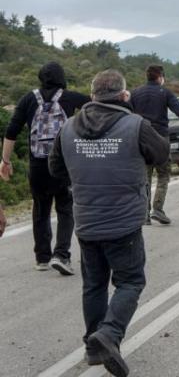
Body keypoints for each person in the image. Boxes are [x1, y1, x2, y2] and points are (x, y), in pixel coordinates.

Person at [49, 70, 169, 376]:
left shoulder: (67, 127)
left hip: (86, 221)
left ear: (92, 96)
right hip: (123, 222)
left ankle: (93, 346)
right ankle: (109, 334)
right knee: (131, 281)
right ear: (124, 95)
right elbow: (161, 153)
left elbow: (55, 169)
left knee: (94, 285)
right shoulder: (135, 125)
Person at [0, 62, 89, 274]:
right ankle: (61, 255)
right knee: (65, 208)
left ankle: (42, 258)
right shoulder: (70, 97)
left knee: (40, 209)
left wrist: (5, 161)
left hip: (37, 166)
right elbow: (97, 107)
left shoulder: (28, 99)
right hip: (63, 165)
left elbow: (11, 131)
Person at [130, 65, 179, 225]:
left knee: (144, 177)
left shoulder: (135, 93)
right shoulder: (165, 92)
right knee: (163, 174)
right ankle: (158, 210)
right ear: (160, 77)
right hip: (160, 138)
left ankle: (144, 214)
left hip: (141, 138)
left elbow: (127, 112)